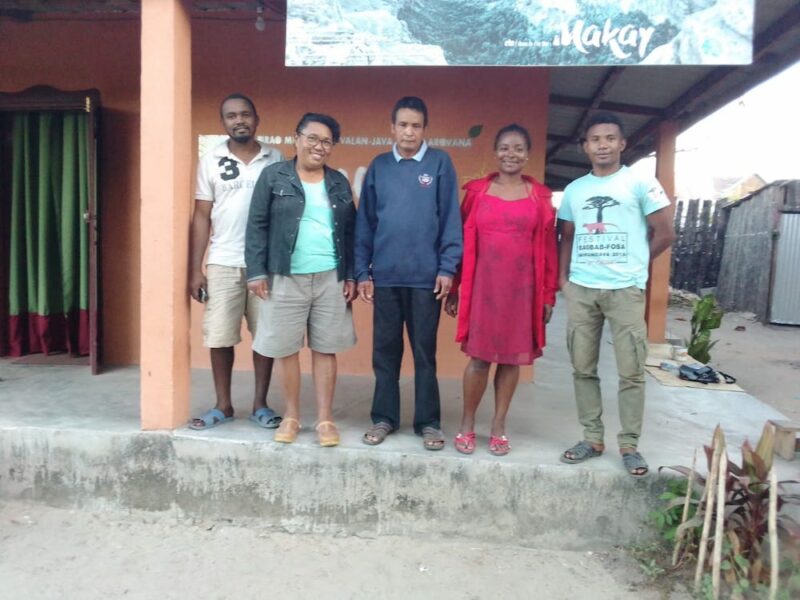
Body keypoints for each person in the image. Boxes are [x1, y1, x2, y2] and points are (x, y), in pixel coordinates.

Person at [557, 111, 675, 477]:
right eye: (595, 139)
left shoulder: (641, 184)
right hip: (582, 290)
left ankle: (629, 445)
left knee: (631, 371)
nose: (603, 145)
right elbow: (568, 236)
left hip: (625, 291)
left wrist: (637, 265)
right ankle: (592, 438)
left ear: (622, 144)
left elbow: (665, 232)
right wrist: (564, 279)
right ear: (585, 147)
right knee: (582, 368)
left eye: (610, 138)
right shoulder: (575, 190)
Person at [355, 96, 462, 451]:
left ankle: (428, 422)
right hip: (385, 277)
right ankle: (384, 418)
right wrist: (362, 271)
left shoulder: (439, 163)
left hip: (425, 280)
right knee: (384, 353)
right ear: (392, 128)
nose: (409, 132)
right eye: (403, 124)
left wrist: (448, 268)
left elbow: (450, 219)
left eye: (416, 125)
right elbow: (365, 224)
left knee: (424, 353)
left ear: (424, 129)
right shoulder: (380, 166)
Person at [444, 124, 557, 456]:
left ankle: (498, 425)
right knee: (478, 359)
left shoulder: (540, 197)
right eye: (505, 147)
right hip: (483, 289)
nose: (512, 154)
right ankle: (467, 423)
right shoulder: (478, 192)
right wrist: (454, 286)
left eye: (519, 148)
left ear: (528, 154)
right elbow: (461, 242)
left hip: (523, 291)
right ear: (496, 152)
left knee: (511, 361)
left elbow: (549, 248)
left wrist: (548, 294)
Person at [245, 113, 357, 447]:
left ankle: (324, 419)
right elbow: (256, 226)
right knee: (285, 349)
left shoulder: (337, 182)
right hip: (284, 275)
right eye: (312, 138)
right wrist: (256, 271)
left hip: (330, 277)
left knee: (326, 349)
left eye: (326, 141)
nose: (319, 146)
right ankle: (292, 416)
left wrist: (350, 273)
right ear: (297, 138)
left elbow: (350, 232)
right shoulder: (273, 176)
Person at [188, 93, 283, 430]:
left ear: (256, 119)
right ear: (223, 122)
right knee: (220, 336)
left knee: (266, 336)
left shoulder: (275, 158)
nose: (239, 120)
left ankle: (260, 404)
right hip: (223, 261)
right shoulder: (210, 160)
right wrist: (194, 270)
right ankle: (223, 404)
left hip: (265, 265)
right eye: (231, 116)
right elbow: (201, 216)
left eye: (245, 114)